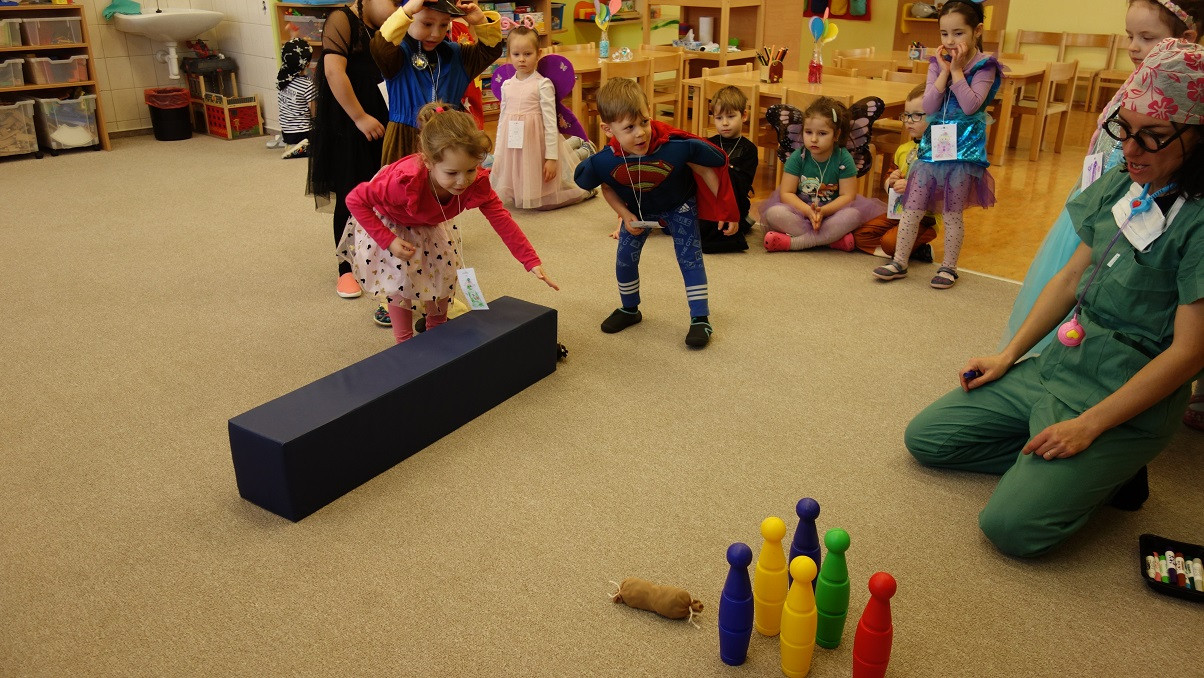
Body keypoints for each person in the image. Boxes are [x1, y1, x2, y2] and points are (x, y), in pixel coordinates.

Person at [905, 38, 1204, 558]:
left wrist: (1089, 427)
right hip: (1062, 365)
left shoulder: (1198, 222)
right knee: (928, 439)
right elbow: (1070, 280)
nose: (1130, 150)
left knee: (1011, 528)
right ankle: (1067, 470)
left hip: (1120, 397)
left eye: (1153, 136)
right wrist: (1008, 355)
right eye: (1125, 129)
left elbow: (1190, 353)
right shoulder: (1124, 182)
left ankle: (1107, 470)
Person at [1001, 0, 1202, 355]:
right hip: (1107, 194)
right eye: (1129, 36)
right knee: (1077, 272)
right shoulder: (1132, 89)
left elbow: (1189, 348)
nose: (1133, 47)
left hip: (1139, 195)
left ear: (1184, 39)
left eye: (1147, 37)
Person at [339, 102, 559, 344]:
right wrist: (389, 241)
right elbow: (355, 200)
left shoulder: (476, 182)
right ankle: (404, 343)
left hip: (430, 222)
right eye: (452, 173)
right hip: (393, 223)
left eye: (470, 170)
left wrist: (530, 260)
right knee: (400, 284)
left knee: (442, 275)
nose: (462, 181)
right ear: (428, 162)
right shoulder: (403, 182)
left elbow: (501, 219)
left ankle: (438, 331)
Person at [573, 77, 739, 349]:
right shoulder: (606, 160)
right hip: (638, 211)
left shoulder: (673, 146)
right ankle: (630, 309)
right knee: (625, 258)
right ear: (608, 129)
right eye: (629, 127)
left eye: (644, 122)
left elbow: (707, 168)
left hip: (680, 205)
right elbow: (607, 187)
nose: (640, 133)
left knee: (690, 258)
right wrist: (624, 214)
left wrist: (726, 209)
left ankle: (701, 318)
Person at [872, 0, 1001, 288]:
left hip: (963, 153)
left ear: (977, 31)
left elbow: (970, 106)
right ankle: (899, 261)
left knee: (952, 213)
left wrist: (957, 71)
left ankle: (949, 268)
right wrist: (943, 71)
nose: (950, 41)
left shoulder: (986, 66)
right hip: (932, 149)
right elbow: (929, 105)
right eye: (944, 34)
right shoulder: (936, 63)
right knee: (912, 207)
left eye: (958, 33)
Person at [306, 0, 393, 309]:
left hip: (385, 118)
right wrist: (359, 117)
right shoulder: (342, 19)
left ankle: (381, 253)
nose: (398, 9)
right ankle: (346, 268)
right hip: (351, 123)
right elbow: (333, 71)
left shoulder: (391, 25)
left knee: (384, 189)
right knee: (351, 192)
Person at [371, 0, 503, 166]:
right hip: (404, 142)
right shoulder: (396, 55)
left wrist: (481, 22)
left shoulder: (458, 56)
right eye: (427, 24)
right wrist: (407, 10)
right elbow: (380, 46)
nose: (435, 33)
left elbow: (491, 50)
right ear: (408, 18)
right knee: (406, 182)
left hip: (449, 141)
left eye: (443, 25)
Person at [761, 96, 885, 253]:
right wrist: (808, 211)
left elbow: (848, 196)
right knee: (774, 214)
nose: (813, 139)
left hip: (833, 213)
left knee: (853, 215)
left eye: (822, 133)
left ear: (836, 135)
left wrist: (824, 211)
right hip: (801, 212)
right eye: (808, 132)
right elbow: (787, 193)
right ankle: (831, 241)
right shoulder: (798, 157)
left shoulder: (843, 157)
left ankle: (794, 243)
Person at [489, 27, 591, 210]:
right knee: (516, 196)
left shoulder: (542, 84)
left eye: (527, 54)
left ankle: (585, 191)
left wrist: (551, 158)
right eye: (516, 54)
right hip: (513, 144)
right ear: (509, 55)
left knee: (542, 201)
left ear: (538, 54)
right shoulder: (506, 85)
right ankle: (578, 146)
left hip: (536, 145)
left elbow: (551, 124)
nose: (521, 59)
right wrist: (498, 155)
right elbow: (502, 120)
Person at [852, 85, 938, 261]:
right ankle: (915, 250)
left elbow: (941, 190)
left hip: (925, 217)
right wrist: (890, 181)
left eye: (917, 115)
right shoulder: (903, 149)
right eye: (906, 115)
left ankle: (906, 245)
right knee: (860, 236)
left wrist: (912, 188)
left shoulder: (939, 151)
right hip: (898, 211)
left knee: (890, 243)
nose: (909, 121)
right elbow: (889, 175)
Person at [698, 85, 757, 253]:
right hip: (710, 201)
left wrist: (723, 171)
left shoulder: (749, 149)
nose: (724, 123)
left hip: (735, 202)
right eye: (719, 118)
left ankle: (742, 222)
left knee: (719, 235)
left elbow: (742, 185)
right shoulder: (709, 143)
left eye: (731, 116)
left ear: (744, 115)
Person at [277, 38, 317, 159]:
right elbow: (314, 111)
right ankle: (302, 149)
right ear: (307, 64)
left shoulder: (282, 80)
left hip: (287, 133)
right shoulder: (307, 85)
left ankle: (292, 146)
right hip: (302, 132)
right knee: (323, 146)